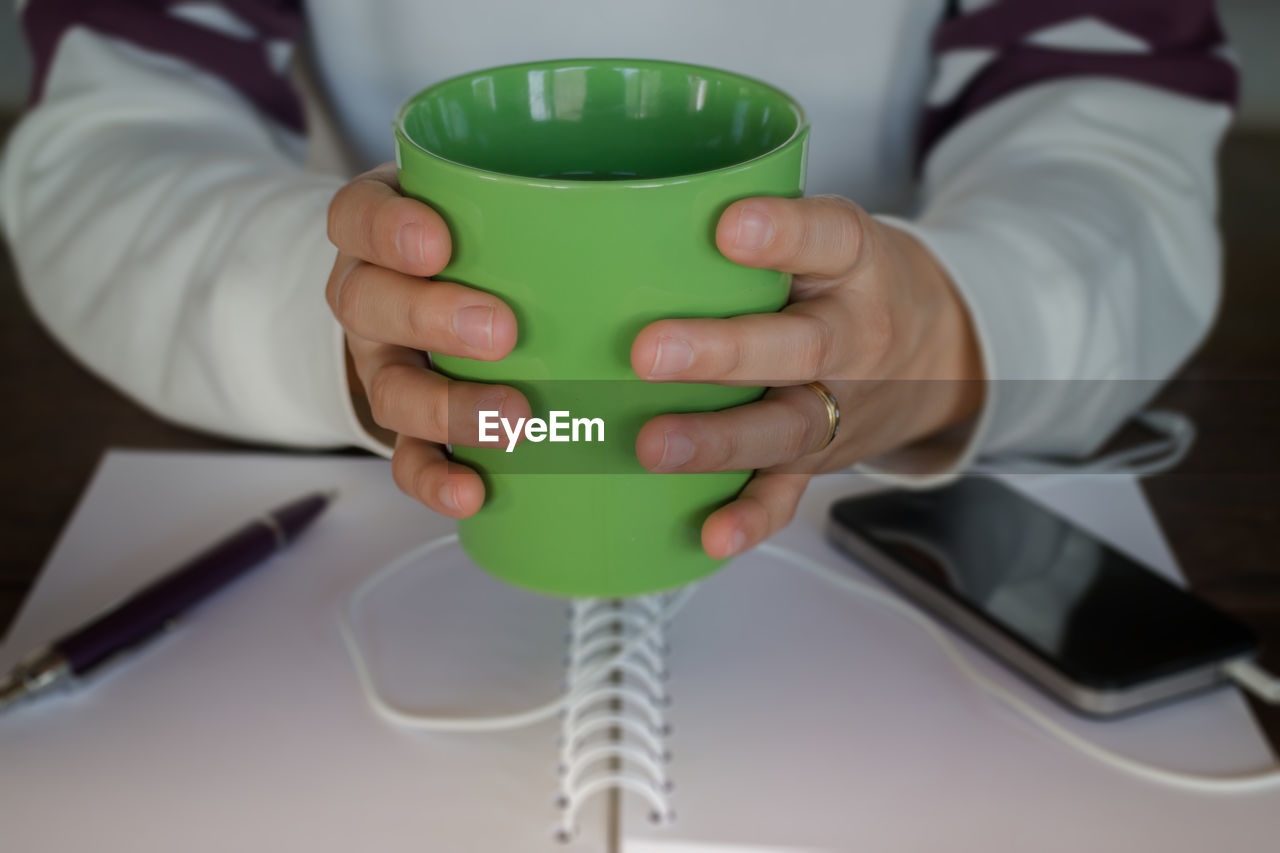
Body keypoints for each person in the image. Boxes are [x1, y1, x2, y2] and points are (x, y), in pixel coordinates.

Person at [1, 1, 1237, 559]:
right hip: (399, 430)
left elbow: (1112, 131)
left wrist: (949, 334)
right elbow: (111, 135)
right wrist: (330, 309)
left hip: (856, 480)